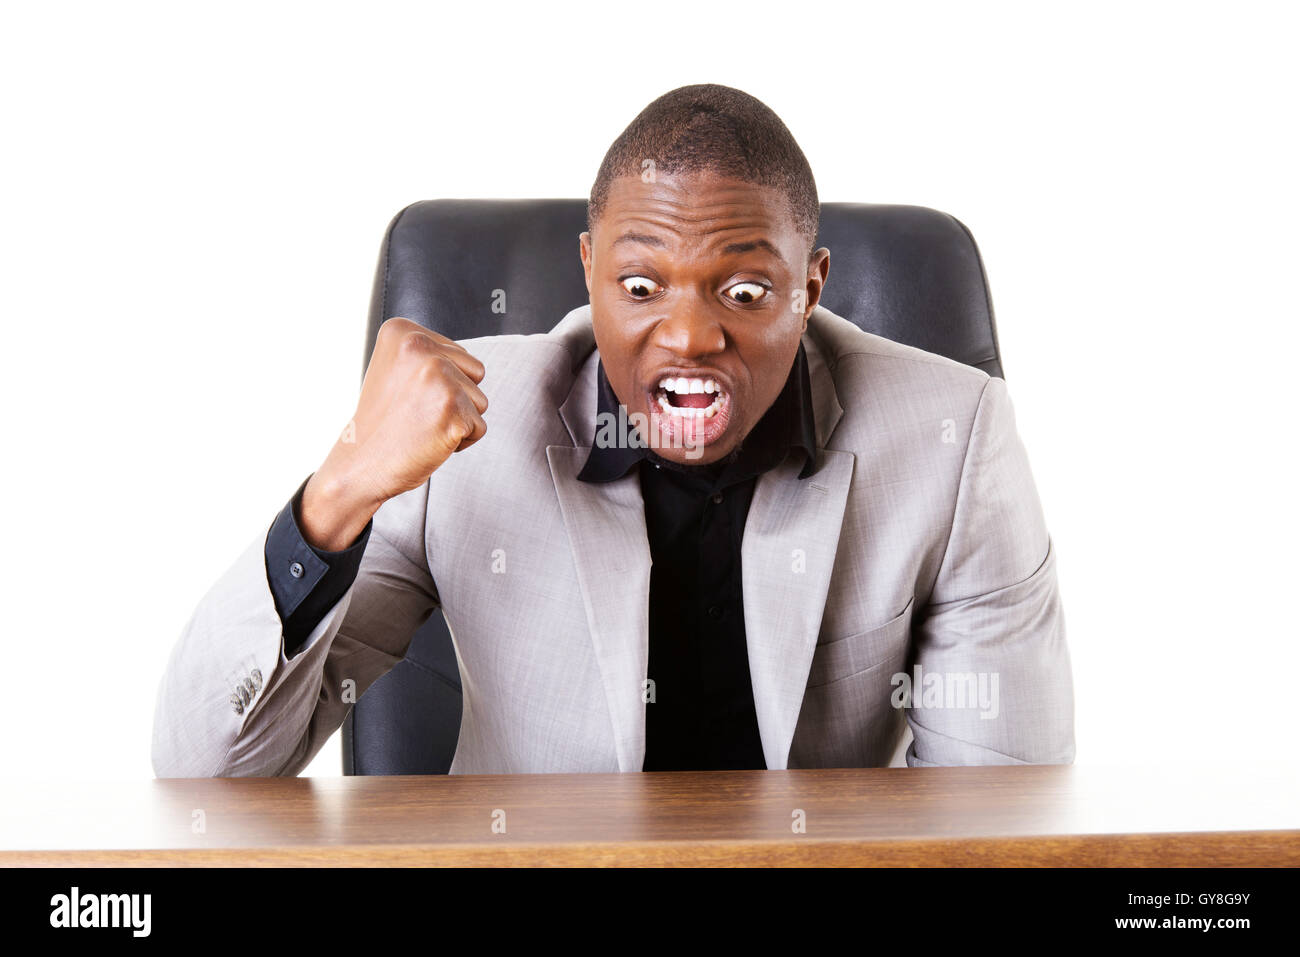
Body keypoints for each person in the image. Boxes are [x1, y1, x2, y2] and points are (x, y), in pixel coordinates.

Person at [152, 84, 1073, 777]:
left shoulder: (954, 441)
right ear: (588, 272)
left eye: (746, 291)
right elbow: (208, 770)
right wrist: (343, 484)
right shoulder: (464, 446)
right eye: (640, 288)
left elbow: (997, 818)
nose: (689, 337)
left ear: (812, 287)